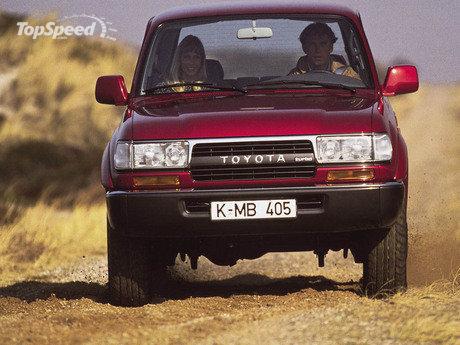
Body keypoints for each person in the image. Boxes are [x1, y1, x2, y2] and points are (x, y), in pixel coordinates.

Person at [289, 22, 360, 79]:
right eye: (312, 45)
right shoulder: (295, 77)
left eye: (323, 44)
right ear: (304, 48)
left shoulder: (347, 74)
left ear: (330, 48)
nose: (318, 50)